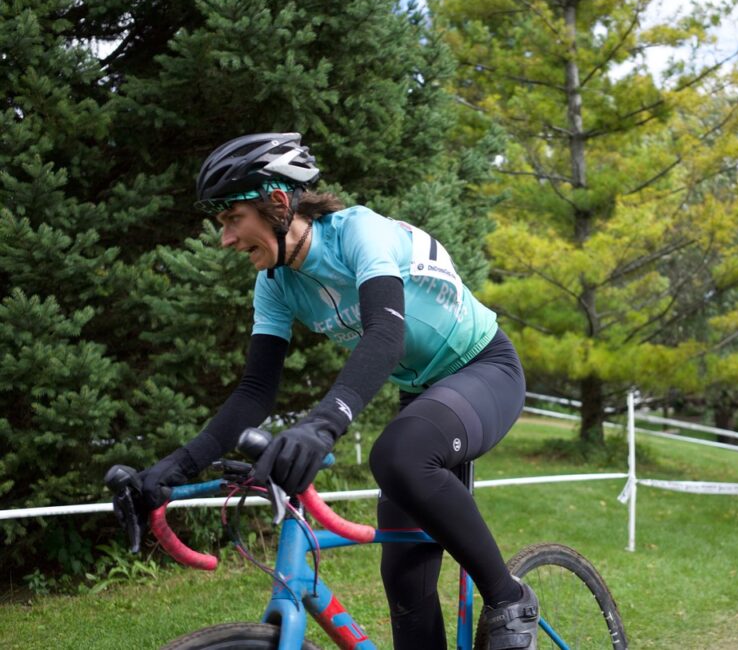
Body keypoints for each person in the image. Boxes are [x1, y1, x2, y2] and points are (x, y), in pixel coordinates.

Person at [134, 132, 538, 650]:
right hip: (423, 394)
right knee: (407, 585)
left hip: (485, 368)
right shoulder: (276, 283)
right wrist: (174, 467)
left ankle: (508, 598)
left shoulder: (360, 232)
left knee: (398, 455)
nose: (226, 240)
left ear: (278, 203)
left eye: (233, 220)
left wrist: (324, 424)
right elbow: (256, 391)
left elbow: (385, 334)